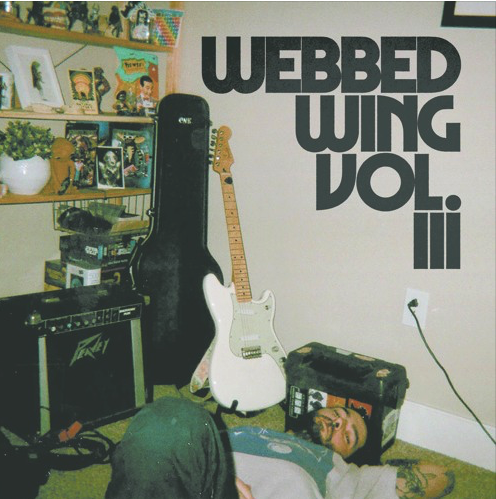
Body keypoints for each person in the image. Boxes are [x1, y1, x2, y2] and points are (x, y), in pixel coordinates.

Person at [105, 397, 454, 499]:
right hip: (204, 486)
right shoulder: (249, 430)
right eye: (339, 416)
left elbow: (442, 476)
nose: (339, 425)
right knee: (172, 416)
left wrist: (382, 467)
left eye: (348, 437)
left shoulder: (345, 472)